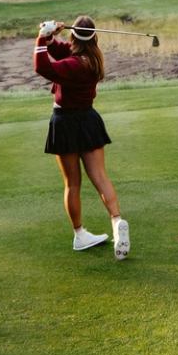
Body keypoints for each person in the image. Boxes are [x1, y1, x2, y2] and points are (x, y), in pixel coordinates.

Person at [35, 14, 129, 259]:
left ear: (74, 35)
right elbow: (62, 51)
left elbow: (42, 67)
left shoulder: (75, 65)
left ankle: (80, 235)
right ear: (94, 37)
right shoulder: (92, 58)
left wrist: (40, 38)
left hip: (65, 122)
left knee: (72, 183)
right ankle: (117, 222)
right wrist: (50, 37)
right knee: (100, 176)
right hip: (88, 120)